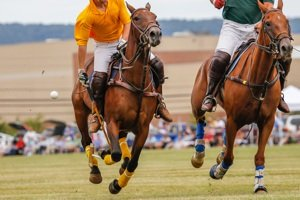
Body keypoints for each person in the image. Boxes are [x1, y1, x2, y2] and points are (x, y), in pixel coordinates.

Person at [74, 0, 172, 133]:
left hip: (124, 40)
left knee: (158, 65)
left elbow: (127, 22)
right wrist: (81, 69)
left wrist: (123, 41)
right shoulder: (85, 16)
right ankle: (97, 115)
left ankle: (160, 103)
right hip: (103, 47)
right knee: (98, 80)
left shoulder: (117, 2)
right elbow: (82, 44)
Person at [201, 0, 290, 113]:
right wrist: (214, 1)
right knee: (220, 59)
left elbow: (268, 4)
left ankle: (279, 96)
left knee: (281, 57)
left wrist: (269, 13)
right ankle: (210, 96)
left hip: (256, 27)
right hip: (232, 28)